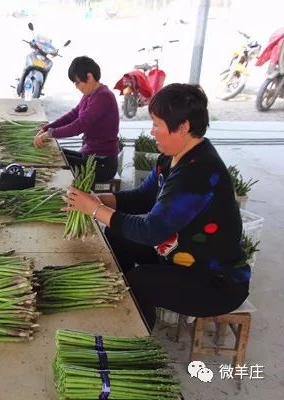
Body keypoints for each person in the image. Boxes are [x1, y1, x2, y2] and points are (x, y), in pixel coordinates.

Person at [62, 83, 249, 330]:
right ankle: (122, 297)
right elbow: (143, 196)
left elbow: (151, 231)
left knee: (141, 281)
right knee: (117, 234)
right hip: (179, 256)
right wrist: (102, 201)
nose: (152, 132)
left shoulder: (198, 173)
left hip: (215, 281)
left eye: (157, 124)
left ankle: (138, 337)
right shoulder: (171, 158)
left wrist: (95, 210)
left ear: (183, 127)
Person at [33, 56, 119, 183]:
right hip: (90, 155)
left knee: (54, 161)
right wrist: (45, 128)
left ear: (89, 77)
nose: (76, 87)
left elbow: (79, 126)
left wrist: (50, 134)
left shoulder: (103, 97)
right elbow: (72, 116)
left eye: (77, 82)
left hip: (102, 164)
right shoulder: (90, 94)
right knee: (56, 153)